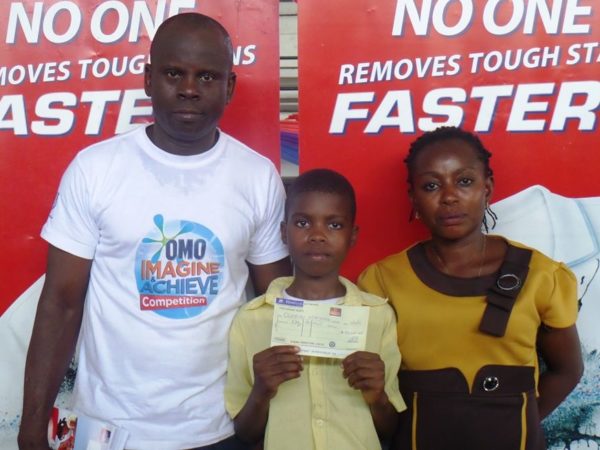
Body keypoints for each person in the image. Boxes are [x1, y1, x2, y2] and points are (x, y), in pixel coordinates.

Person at [18, 12, 290, 450]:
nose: (188, 89)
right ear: (147, 79)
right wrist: (31, 427)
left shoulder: (257, 177)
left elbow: (275, 301)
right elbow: (62, 302)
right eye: (172, 73)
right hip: (108, 429)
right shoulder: (97, 169)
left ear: (229, 87)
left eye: (206, 76)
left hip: (219, 428)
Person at [358, 127, 584, 450]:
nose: (449, 196)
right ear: (413, 198)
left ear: (487, 187)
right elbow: (376, 385)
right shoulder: (382, 280)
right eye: (431, 185)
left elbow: (568, 370)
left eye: (464, 181)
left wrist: (519, 419)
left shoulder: (542, 275)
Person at [224, 169, 406, 450]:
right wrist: (262, 390)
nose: (317, 235)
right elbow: (245, 433)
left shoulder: (377, 317)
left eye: (334, 225)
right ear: (283, 233)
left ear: (352, 235)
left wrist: (377, 395)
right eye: (302, 223)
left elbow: (390, 428)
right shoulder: (251, 320)